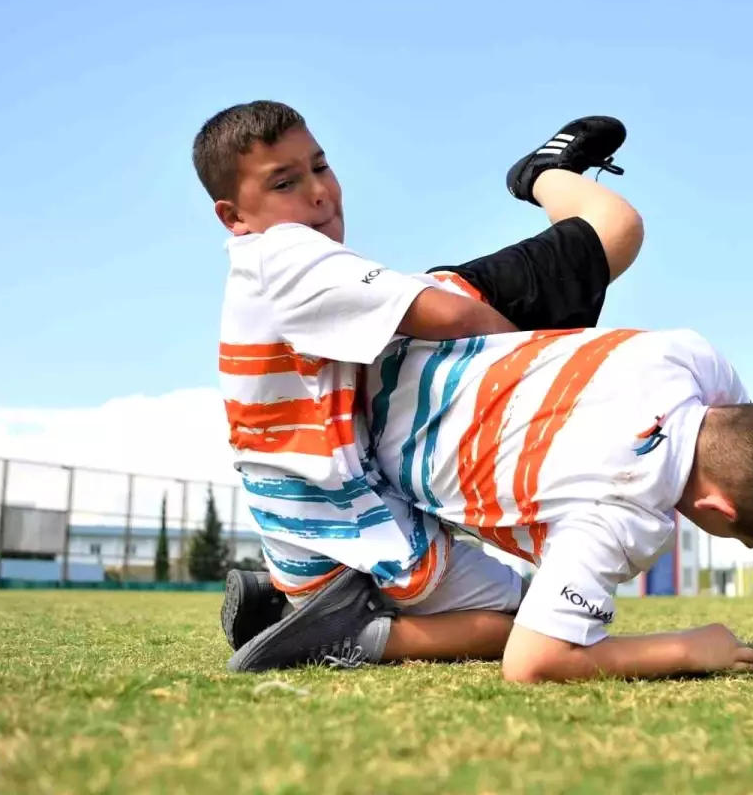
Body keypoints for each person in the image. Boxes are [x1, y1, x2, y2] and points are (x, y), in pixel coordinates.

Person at [229, 325, 753, 681]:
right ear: (720, 514)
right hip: (354, 463)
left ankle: (552, 178)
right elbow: (531, 663)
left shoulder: (691, 360)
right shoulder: (625, 514)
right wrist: (685, 650)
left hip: (385, 355)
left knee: (611, 234)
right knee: (520, 615)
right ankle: (349, 634)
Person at [198, 101, 645, 659]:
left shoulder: (260, 269)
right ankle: (343, 637)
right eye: (285, 182)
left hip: (309, 544)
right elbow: (455, 320)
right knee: (537, 617)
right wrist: (537, 370)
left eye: (320, 165)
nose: (319, 191)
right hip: (362, 540)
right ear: (233, 215)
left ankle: (295, 607)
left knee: (612, 234)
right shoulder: (283, 253)